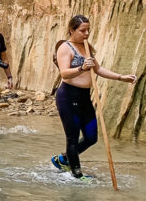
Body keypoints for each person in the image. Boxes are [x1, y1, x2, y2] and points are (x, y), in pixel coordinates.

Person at [51, 15, 136, 178]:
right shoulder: (65, 47)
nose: (87, 33)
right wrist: (81, 68)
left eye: (88, 30)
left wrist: (120, 77)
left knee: (91, 137)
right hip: (68, 96)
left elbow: (98, 69)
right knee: (73, 138)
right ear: (72, 30)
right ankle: (76, 174)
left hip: (84, 97)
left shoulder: (86, 46)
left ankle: (63, 159)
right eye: (82, 30)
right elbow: (64, 73)